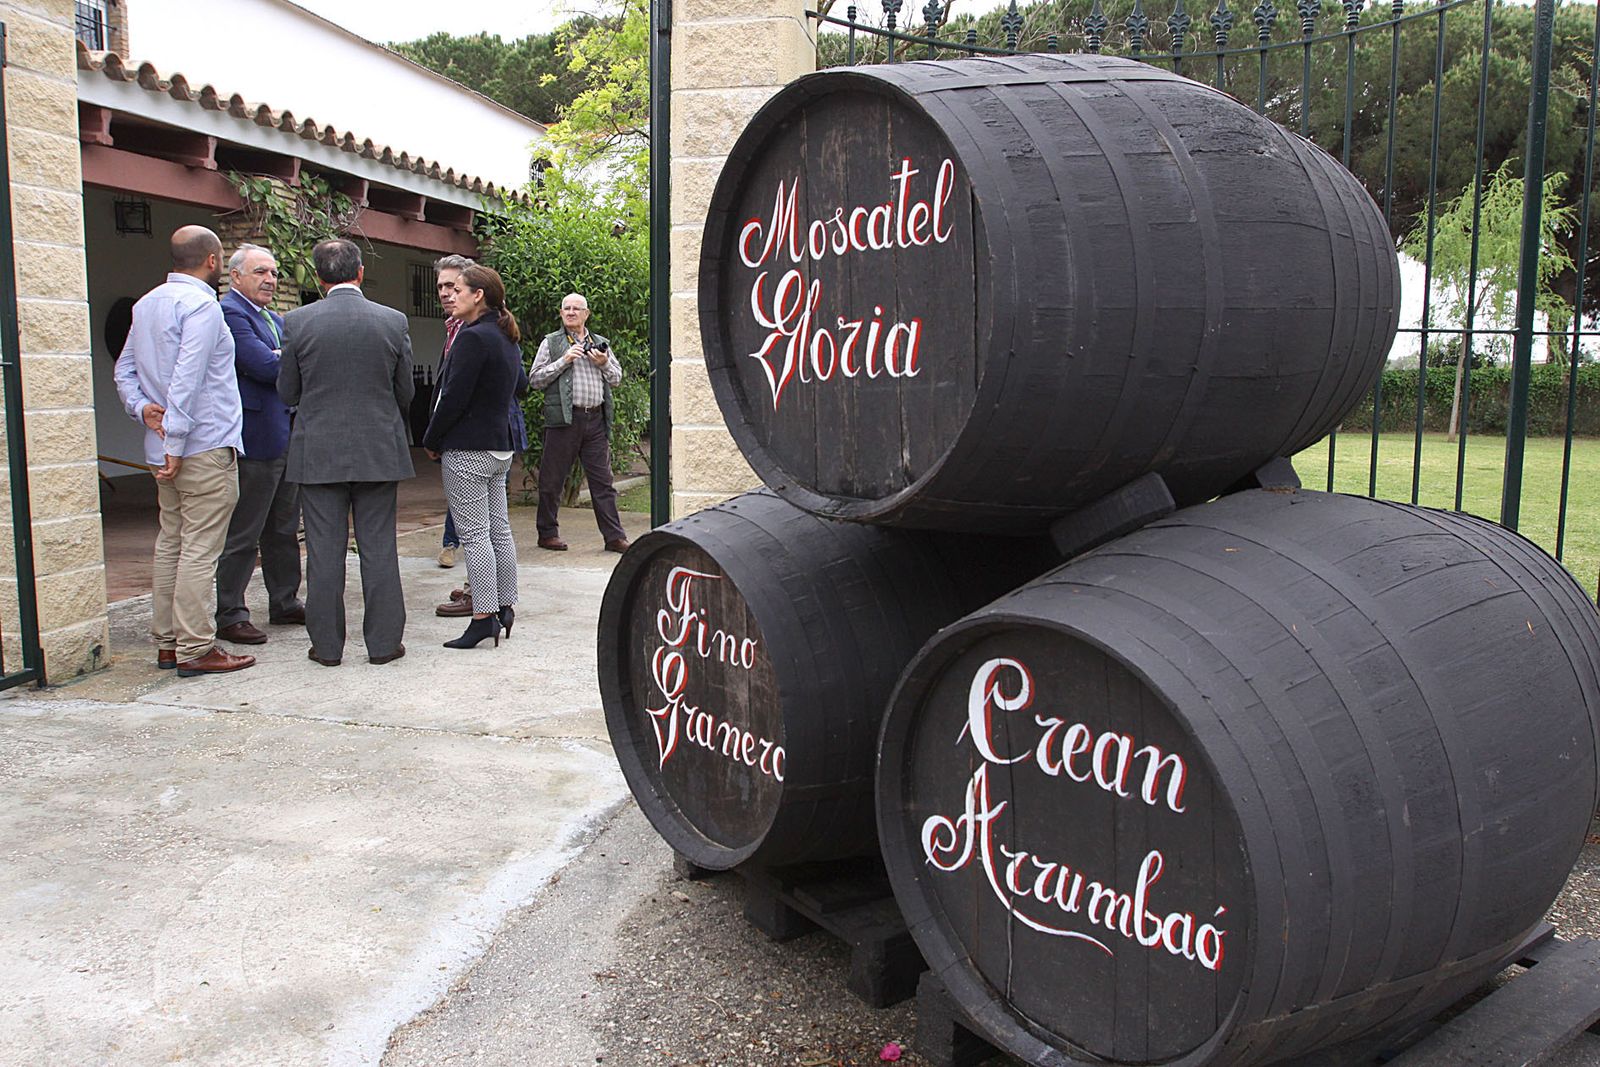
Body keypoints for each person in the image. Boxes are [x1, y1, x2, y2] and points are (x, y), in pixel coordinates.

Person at [113, 225, 255, 677]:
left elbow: (124, 371)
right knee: (199, 549)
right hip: (202, 446)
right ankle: (196, 646)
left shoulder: (146, 303)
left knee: (171, 543)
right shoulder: (202, 306)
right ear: (213, 261)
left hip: (163, 448)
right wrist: (174, 438)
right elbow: (188, 378)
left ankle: (168, 642)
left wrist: (142, 411)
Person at [279, 239, 414, 666]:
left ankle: (327, 646)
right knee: (379, 550)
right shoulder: (392, 321)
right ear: (359, 273)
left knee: (323, 553)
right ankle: (384, 644)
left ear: (319, 279)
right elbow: (405, 392)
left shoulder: (297, 322)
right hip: (378, 447)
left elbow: (288, 391)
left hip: (318, 450)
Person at [423, 265, 528, 649]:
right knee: (498, 530)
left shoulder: (472, 337)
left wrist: (431, 438)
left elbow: (453, 397)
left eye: (459, 289)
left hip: (468, 447)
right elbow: (521, 386)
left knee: (474, 535)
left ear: (478, 295)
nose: (452, 295)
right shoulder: (505, 335)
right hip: (498, 445)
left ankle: (483, 616)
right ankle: (505, 604)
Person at [213, 243, 304, 645]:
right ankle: (231, 612)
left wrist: (282, 355)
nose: (270, 279)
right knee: (244, 531)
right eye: (260, 272)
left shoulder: (272, 318)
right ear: (235, 277)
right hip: (255, 437)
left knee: (284, 528)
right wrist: (284, 356)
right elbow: (263, 365)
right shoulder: (230, 313)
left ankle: (284, 601)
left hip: (286, 434)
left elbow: (292, 361)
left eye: (273, 272)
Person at [529, 293, 628, 553]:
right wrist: (564, 361)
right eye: (567, 309)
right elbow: (535, 380)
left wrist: (604, 363)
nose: (571, 313)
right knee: (552, 480)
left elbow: (617, 379)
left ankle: (614, 537)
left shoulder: (600, 343)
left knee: (603, 482)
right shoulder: (551, 343)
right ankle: (547, 533)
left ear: (587, 314)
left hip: (595, 419)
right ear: (561, 314)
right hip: (564, 419)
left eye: (577, 309)